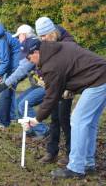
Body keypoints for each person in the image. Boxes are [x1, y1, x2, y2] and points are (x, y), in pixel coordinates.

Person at [25, 39, 106, 179]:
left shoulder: (51, 65)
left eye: (29, 57)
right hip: (101, 75)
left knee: (78, 120)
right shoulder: (57, 48)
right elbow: (74, 69)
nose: (29, 61)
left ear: (36, 52)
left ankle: (76, 168)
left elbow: (51, 98)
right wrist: (70, 88)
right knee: (89, 123)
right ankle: (88, 163)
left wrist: (37, 119)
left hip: (98, 80)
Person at [34, 17, 75, 165]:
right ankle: (52, 152)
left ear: (52, 32)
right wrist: (41, 76)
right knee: (54, 119)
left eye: (44, 36)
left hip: (66, 86)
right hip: (53, 84)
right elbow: (41, 59)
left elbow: (72, 67)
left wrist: (69, 88)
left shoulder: (68, 43)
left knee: (64, 119)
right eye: (41, 37)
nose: (43, 40)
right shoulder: (47, 40)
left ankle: (72, 153)